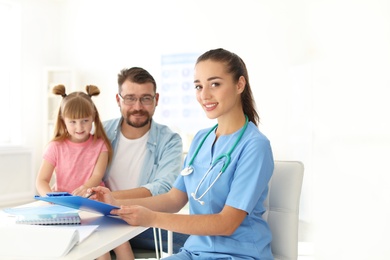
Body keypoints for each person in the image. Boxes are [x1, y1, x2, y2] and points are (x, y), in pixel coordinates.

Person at [90, 48, 275, 259]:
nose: (204, 95)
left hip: (238, 255)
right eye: (198, 86)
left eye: (215, 84)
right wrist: (115, 201)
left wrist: (151, 219)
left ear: (239, 84)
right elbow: (173, 199)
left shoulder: (254, 146)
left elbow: (227, 223)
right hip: (194, 252)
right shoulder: (201, 139)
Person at [35, 85, 133, 260]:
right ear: (63, 120)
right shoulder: (55, 147)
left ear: (93, 118)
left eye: (85, 121)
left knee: (122, 243)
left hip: (95, 203)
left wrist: (84, 189)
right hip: (67, 208)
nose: (79, 127)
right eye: (73, 121)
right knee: (102, 253)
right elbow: (41, 180)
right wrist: (51, 198)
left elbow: (97, 176)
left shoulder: (100, 144)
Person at [102, 67, 187, 256]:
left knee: (201, 242)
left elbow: (164, 188)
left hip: (144, 223)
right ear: (119, 100)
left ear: (156, 100)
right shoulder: (100, 132)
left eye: (145, 99)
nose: (138, 107)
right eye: (130, 98)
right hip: (100, 220)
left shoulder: (170, 140)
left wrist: (111, 199)